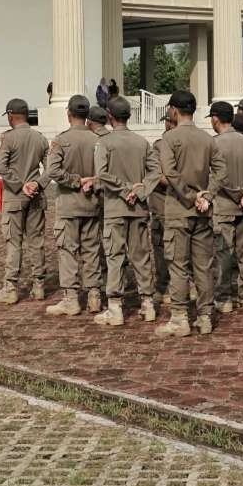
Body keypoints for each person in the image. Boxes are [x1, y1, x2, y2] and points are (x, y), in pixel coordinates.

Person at [154, 89, 227, 337]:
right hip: (203, 212)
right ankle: (205, 317)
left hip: (179, 209)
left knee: (178, 265)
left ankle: (179, 317)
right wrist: (207, 194)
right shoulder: (208, 139)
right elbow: (221, 171)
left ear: (174, 110)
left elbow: (170, 173)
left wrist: (188, 196)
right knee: (203, 266)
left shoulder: (169, 138)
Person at [27, 95, 102, 316]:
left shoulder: (61, 140)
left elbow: (54, 171)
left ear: (69, 114)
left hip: (69, 205)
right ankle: (94, 296)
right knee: (91, 251)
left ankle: (71, 298)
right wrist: (90, 181)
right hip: (92, 204)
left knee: (68, 251)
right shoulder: (98, 139)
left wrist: (75, 181)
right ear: (87, 115)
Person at [94, 95, 161, 325]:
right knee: (141, 256)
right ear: (129, 116)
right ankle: (148, 303)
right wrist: (140, 190)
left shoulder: (105, 143)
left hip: (115, 207)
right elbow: (155, 171)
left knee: (115, 256)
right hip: (139, 208)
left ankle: (115, 307)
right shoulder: (142, 142)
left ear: (110, 117)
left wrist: (123, 190)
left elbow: (101, 173)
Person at [0, 98, 48, 305]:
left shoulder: (8, 138)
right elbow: (50, 169)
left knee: (14, 242)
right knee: (36, 242)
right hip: (36, 196)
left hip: (15, 197)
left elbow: (1, 168)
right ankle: (39, 285)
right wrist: (37, 184)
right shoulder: (40, 138)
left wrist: (20, 184)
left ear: (11, 116)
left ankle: (10, 287)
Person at [209, 101, 243, 313]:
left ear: (216, 119)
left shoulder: (214, 144)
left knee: (224, 254)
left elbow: (219, 177)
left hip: (224, 205)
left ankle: (224, 297)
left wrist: (237, 194)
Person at [150, 109, 176, 303]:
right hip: (188, 203)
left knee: (161, 247)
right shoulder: (193, 141)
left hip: (163, 204)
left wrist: (176, 184)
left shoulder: (160, 145)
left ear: (168, 122)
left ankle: (164, 286)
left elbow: (157, 175)